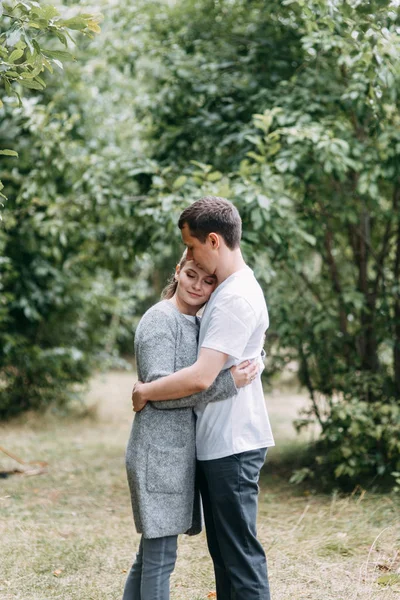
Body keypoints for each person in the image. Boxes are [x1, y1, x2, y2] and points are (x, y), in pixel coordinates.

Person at [132, 196, 275, 600]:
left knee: (240, 560)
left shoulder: (233, 297)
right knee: (226, 558)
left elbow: (199, 378)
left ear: (213, 241)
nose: (189, 255)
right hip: (216, 444)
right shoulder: (223, 291)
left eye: (192, 245)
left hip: (234, 442)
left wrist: (145, 391)